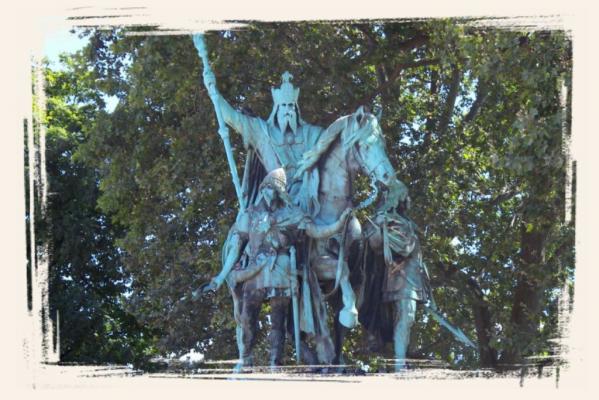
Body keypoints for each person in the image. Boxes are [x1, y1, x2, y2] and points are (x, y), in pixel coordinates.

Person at [204, 168, 351, 369]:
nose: (270, 194)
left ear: (281, 192)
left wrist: (340, 222)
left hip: (280, 270)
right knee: (247, 317)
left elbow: (316, 231)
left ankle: (276, 362)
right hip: (254, 272)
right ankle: (245, 358)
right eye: (268, 189)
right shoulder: (250, 214)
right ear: (263, 188)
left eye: (275, 190)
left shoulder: (291, 213)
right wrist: (221, 276)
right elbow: (236, 247)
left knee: (278, 321)